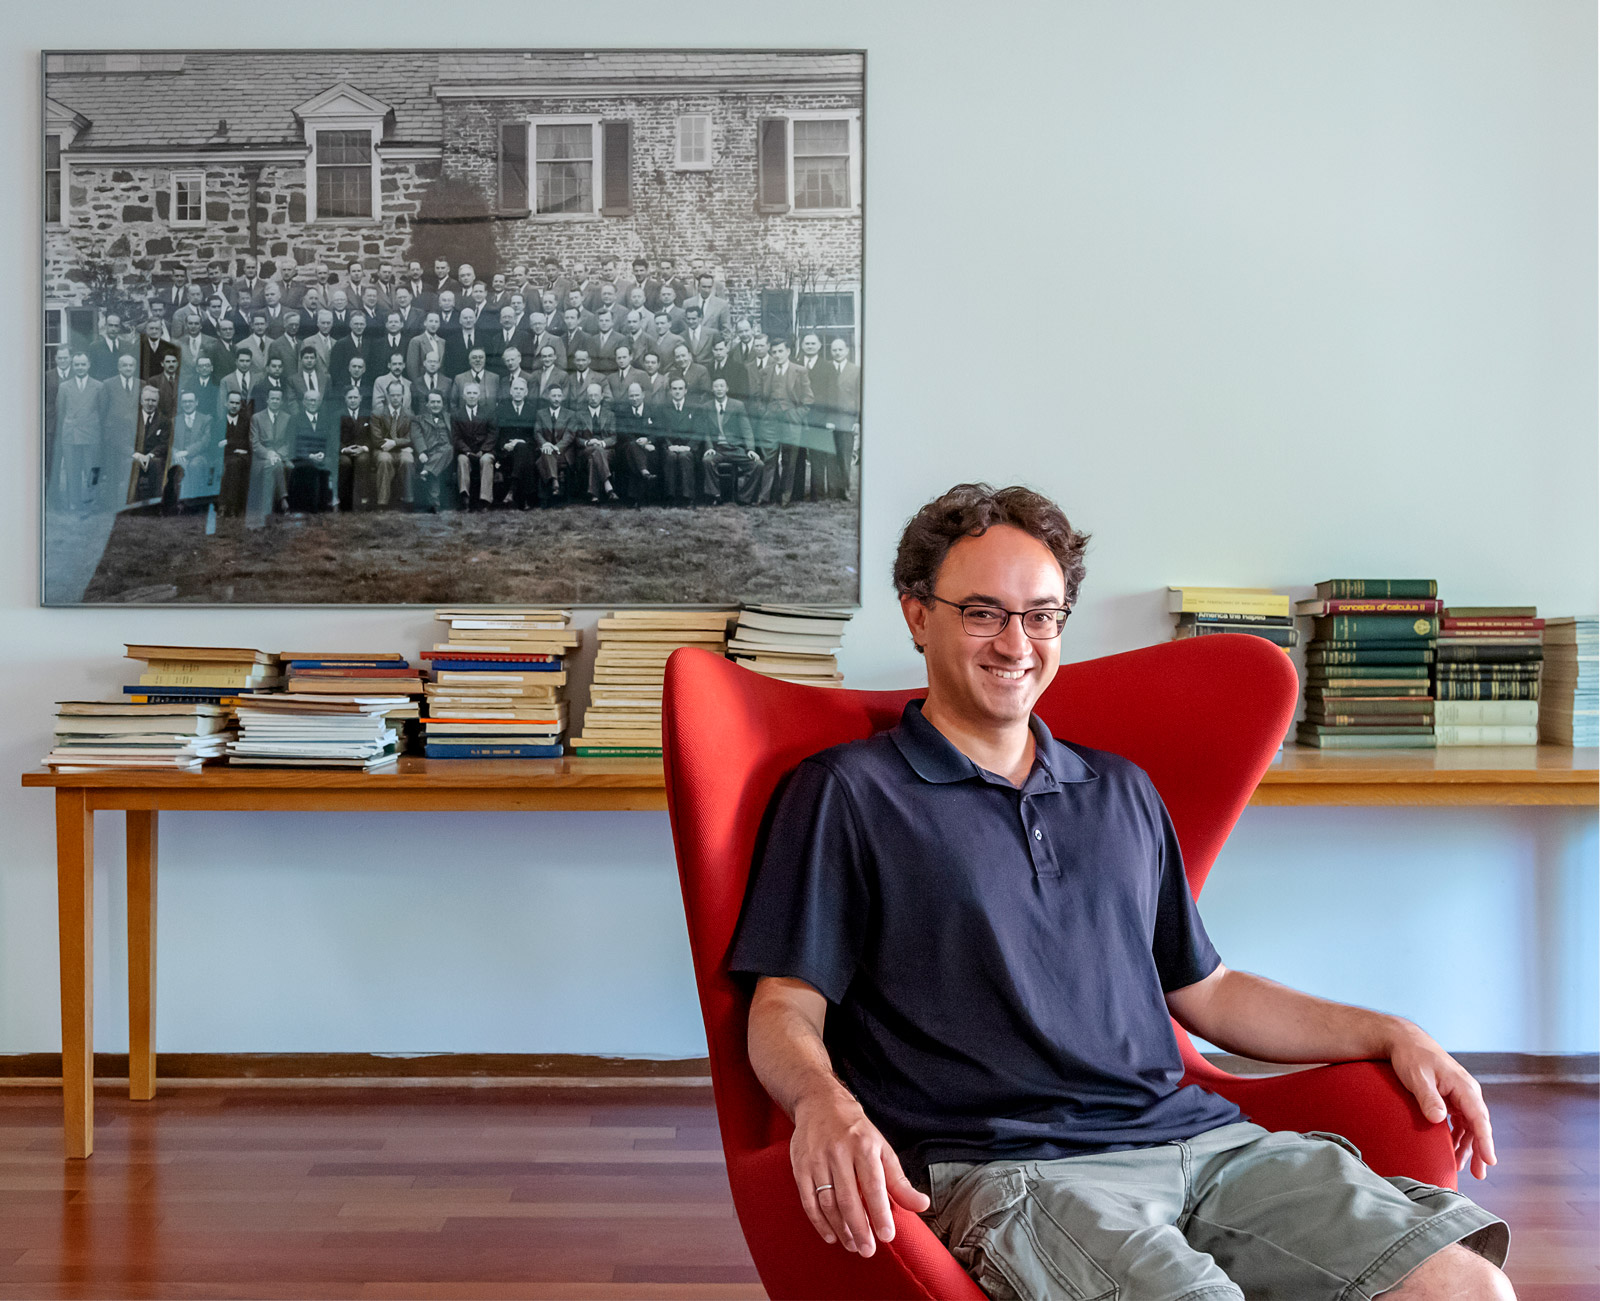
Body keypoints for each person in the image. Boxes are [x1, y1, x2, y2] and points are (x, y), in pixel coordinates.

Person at [728, 484, 1514, 1300]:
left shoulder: (1121, 790)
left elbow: (1208, 989)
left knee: (1465, 1286)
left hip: (1205, 1147)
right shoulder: (847, 793)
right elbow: (785, 1003)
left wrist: (1391, 1031)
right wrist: (822, 1102)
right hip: (1017, 1169)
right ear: (917, 614)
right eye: (982, 612)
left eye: (1041, 614)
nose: (1016, 642)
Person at [762, 338, 813, 506]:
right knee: (769, 458)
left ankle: (785, 497)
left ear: (788, 351)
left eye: (780, 351)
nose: (777, 355)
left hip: (791, 421)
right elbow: (760, 397)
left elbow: (808, 399)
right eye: (774, 352)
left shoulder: (799, 371)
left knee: (789, 460)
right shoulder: (766, 371)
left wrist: (796, 415)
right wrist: (764, 413)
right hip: (771, 421)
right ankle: (766, 496)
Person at [699, 376, 760, 505]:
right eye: (716, 386)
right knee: (707, 461)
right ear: (712, 389)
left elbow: (746, 429)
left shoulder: (737, 405)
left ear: (727, 388)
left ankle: (744, 498)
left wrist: (750, 449)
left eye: (722, 386)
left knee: (757, 464)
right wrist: (709, 447)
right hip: (718, 449)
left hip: (735, 448)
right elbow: (706, 432)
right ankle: (715, 495)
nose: (719, 389)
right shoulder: (706, 407)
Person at [55, 352, 103, 511]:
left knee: (92, 470)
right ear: (72, 365)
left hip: (91, 434)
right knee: (72, 470)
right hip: (71, 435)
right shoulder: (64, 387)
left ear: (88, 365)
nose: (80, 368)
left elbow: (102, 411)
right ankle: (73, 502)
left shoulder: (98, 386)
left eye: (83, 364)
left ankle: (92, 502)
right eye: (77, 364)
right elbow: (60, 412)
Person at [495, 376, 542, 509]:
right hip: (507, 452)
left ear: (526, 392)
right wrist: (504, 445)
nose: (518, 392)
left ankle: (512, 488)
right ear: (510, 391)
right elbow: (498, 433)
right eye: (515, 388)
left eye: (521, 389)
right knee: (524, 457)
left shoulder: (532, 410)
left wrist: (521, 441)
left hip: (527, 448)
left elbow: (535, 435)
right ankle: (526, 497)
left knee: (522, 449)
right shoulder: (502, 409)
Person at [452, 381, 498, 511]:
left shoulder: (489, 412)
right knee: (462, 460)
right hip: (466, 451)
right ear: (463, 396)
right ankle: (465, 497)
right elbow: (456, 437)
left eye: (474, 393)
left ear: (479, 396)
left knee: (486, 460)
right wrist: (467, 452)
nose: (472, 396)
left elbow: (493, 434)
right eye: (469, 393)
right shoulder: (456, 414)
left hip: (485, 450)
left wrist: (483, 450)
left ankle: (485, 500)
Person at [247, 386, 293, 516]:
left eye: (278, 399)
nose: (275, 401)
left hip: (280, 456)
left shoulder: (287, 418)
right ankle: (282, 501)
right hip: (261, 458)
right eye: (272, 398)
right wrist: (269, 454)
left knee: (283, 465)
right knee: (272, 464)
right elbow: (254, 443)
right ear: (267, 400)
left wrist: (278, 454)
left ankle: (270, 508)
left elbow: (289, 442)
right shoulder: (256, 418)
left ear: (281, 401)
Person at [285, 390, 334, 513]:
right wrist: (309, 455)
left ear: (320, 402)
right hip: (301, 458)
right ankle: (310, 507)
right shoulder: (295, 419)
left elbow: (330, 441)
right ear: (304, 402)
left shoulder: (326, 419)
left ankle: (324, 505)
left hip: (322, 457)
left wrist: (324, 455)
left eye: (315, 400)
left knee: (328, 466)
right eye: (309, 400)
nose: (313, 403)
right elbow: (292, 443)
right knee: (310, 467)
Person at [370, 380, 416, 510]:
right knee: (385, 459)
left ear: (403, 395)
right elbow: (377, 440)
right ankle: (382, 502)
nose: (395, 398)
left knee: (408, 460)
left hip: (402, 451)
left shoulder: (409, 415)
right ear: (387, 395)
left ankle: (408, 500)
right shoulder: (377, 413)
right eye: (392, 395)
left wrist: (394, 442)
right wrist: (399, 443)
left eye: (398, 395)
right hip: (382, 450)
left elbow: (412, 438)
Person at [654, 376, 699, 506]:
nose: (677, 391)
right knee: (670, 457)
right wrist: (669, 445)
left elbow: (698, 431)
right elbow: (660, 431)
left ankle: (687, 498)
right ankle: (670, 497)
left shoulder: (694, 408)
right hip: (669, 447)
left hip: (688, 449)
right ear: (670, 391)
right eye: (674, 389)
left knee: (685, 457)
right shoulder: (662, 408)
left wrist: (689, 447)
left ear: (685, 390)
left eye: (680, 388)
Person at [572, 382, 620, 503]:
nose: (593, 398)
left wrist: (602, 443)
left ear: (602, 396)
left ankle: (594, 494)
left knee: (595, 457)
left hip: (607, 451)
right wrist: (588, 442)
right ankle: (607, 484)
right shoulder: (578, 415)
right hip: (585, 451)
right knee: (595, 452)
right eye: (590, 395)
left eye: (596, 395)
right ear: (587, 397)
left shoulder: (610, 415)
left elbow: (613, 438)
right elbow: (576, 438)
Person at [613, 381, 658, 505]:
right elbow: (622, 433)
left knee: (635, 456)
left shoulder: (652, 410)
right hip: (626, 447)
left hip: (648, 447)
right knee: (632, 447)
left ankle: (634, 498)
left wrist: (648, 440)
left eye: (637, 395)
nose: (634, 399)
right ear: (628, 397)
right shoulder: (622, 412)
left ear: (643, 394)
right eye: (631, 396)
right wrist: (639, 443)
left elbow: (658, 431)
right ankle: (644, 472)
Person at [532, 383, 577, 504]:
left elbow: (569, 436)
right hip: (545, 450)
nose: (557, 399)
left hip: (563, 452)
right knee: (546, 454)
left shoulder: (570, 414)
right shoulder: (540, 413)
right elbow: (537, 432)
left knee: (545, 457)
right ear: (548, 396)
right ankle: (555, 481)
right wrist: (545, 444)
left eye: (559, 396)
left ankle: (551, 486)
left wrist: (555, 447)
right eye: (554, 396)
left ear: (562, 397)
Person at [410, 388, 453, 512]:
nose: (435, 405)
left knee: (449, 448)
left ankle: (427, 471)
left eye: (438, 402)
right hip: (429, 453)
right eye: (432, 402)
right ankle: (435, 505)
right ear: (427, 404)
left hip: (447, 453)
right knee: (434, 469)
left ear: (443, 404)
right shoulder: (417, 419)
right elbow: (417, 437)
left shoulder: (449, 418)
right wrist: (422, 452)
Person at [337, 386, 377, 512]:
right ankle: (344, 501)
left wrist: (364, 448)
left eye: (355, 397)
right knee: (344, 463)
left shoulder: (368, 414)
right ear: (345, 399)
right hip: (345, 451)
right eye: (350, 398)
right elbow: (333, 437)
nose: (353, 400)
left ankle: (360, 500)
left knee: (363, 461)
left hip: (362, 450)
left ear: (360, 399)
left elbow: (373, 436)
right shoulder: (338, 414)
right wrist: (344, 449)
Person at [217, 388, 252, 518]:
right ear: (226, 403)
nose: (234, 406)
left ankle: (225, 506)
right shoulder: (219, 421)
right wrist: (235, 444)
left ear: (241, 405)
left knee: (235, 463)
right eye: (231, 402)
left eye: (237, 403)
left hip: (242, 457)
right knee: (232, 465)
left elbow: (247, 442)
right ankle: (230, 506)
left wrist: (228, 442)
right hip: (223, 457)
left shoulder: (246, 421)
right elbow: (216, 444)